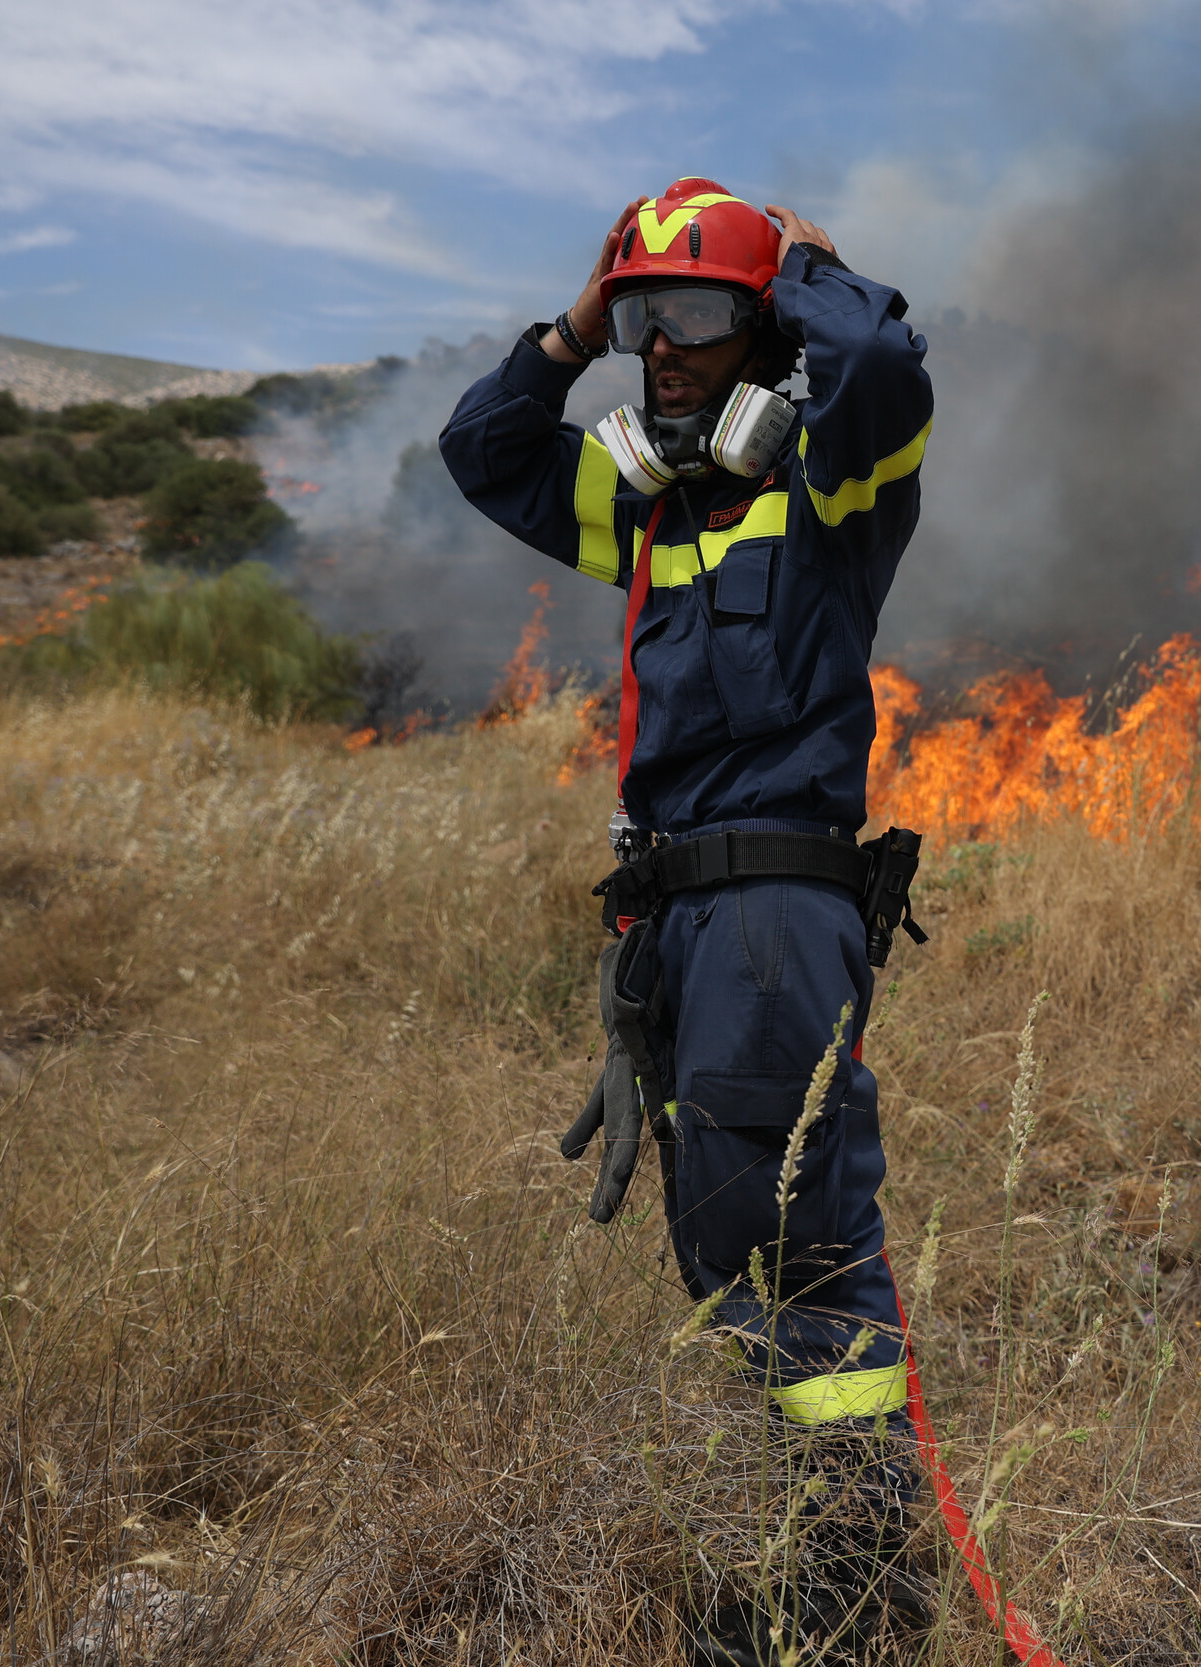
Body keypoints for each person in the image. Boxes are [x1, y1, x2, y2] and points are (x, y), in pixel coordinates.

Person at [439, 177, 933, 1665]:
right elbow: (484, 451)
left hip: (777, 906)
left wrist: (808, 266)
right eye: (649, 320)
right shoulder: (650, 507)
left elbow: (883, 372)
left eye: (698, 316)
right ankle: (812, 1564)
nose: (666, 347)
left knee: (790, 1242)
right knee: (734, 1237)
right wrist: (580, 318)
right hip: (686, 923)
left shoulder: (832, 485)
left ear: (760, 330)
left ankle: (845, 1598)